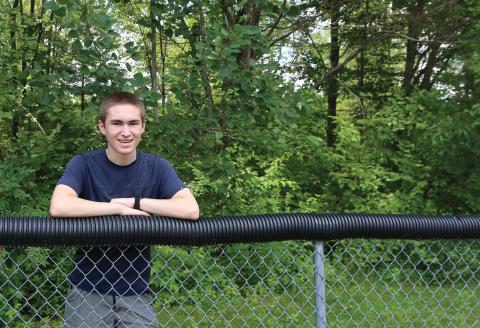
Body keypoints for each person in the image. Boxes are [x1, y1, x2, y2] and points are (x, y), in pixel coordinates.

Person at [49, 92, 199, 327]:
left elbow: (190, 209)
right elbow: (59, 205)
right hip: (87, 289)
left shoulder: (157, 167)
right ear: (102, 127)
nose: (126, 132)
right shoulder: (84, 164)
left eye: (133, 123)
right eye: (117, 123)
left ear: (143, 127)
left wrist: (135, 202)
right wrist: (116, 208)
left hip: (136, 290)